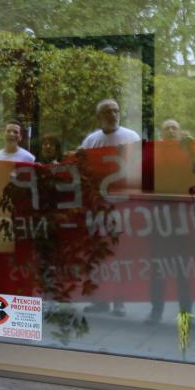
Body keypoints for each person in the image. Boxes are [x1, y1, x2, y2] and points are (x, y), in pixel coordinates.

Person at [81, 99, 140, 317]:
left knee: (119, 254)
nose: (113, 114)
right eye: (108, 112)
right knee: (97, 254)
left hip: (122, 207)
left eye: (116, 110)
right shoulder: (91, 141)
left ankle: (119, 302)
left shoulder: (131, 138)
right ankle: (100, 300)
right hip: (97, 207)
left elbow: (139, 171)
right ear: (99, 117)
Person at [145, 119, 195, 325]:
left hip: (183, 221)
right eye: (167, 128)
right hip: (158, 221)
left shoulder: (188, 152)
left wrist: (191, 151)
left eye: (175, 127)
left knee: (184, 270)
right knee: (158, 268)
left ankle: (185, 315)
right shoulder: (153, 153)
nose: (172, 130)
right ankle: (156, 310)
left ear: (181, 131)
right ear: (161, 134)